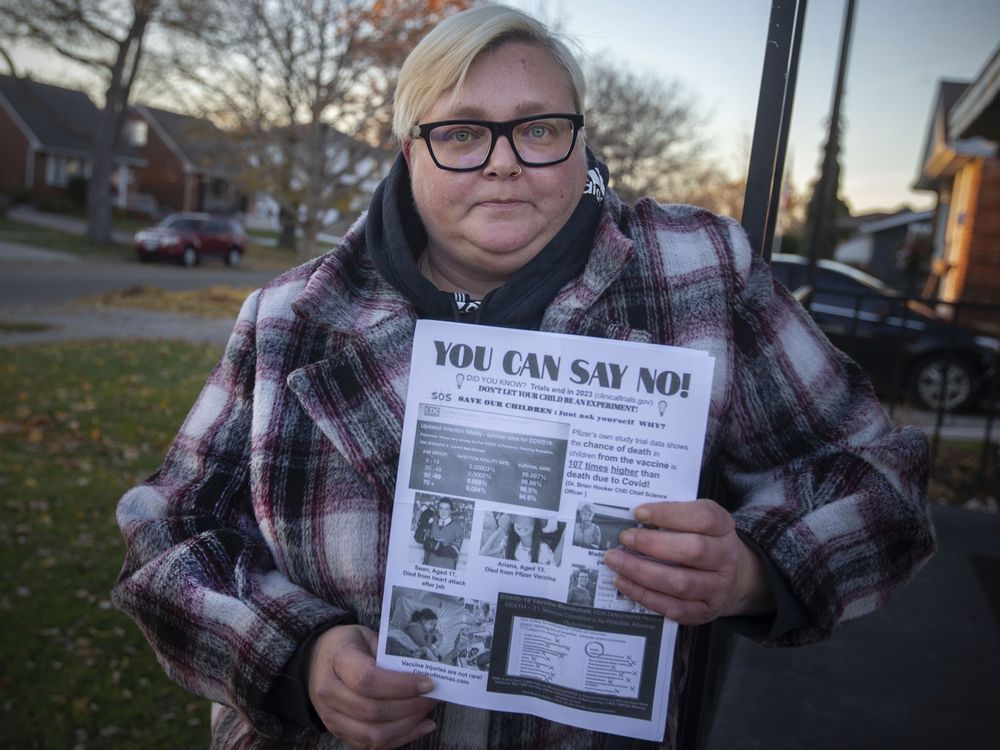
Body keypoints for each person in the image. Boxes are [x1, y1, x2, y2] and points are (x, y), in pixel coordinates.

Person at [111, 5, 935, 750]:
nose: (502, 163)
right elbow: (165, 534)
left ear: (578, 139)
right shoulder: (290, 316)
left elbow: (879, 478)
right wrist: (297, 655)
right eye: (462, 133)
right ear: (411, 148)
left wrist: (756, 567)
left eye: (537, 128)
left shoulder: (699, 272)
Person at [416, 498, 463, 569]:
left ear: (451, 511)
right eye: (441, 508)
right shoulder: (432, 521)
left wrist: (435, 545)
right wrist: (422, 525)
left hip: (446, 570)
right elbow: (418, 539)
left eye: (446, 509)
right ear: (438, 509)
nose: (443, 512)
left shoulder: (457, 528)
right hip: (427, 567)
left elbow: (454, 551)